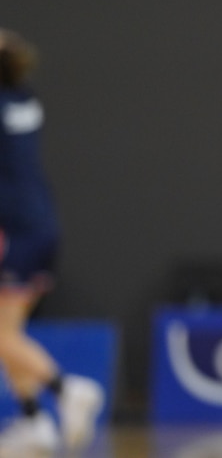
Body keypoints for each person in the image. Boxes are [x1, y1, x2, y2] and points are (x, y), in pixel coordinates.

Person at [0, 28, 105, 457]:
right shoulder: (25, 99)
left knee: (1, 333)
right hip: (41, 225)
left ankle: (67, 390)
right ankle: (32, 420)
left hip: (16, 230)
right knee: (9, 330)